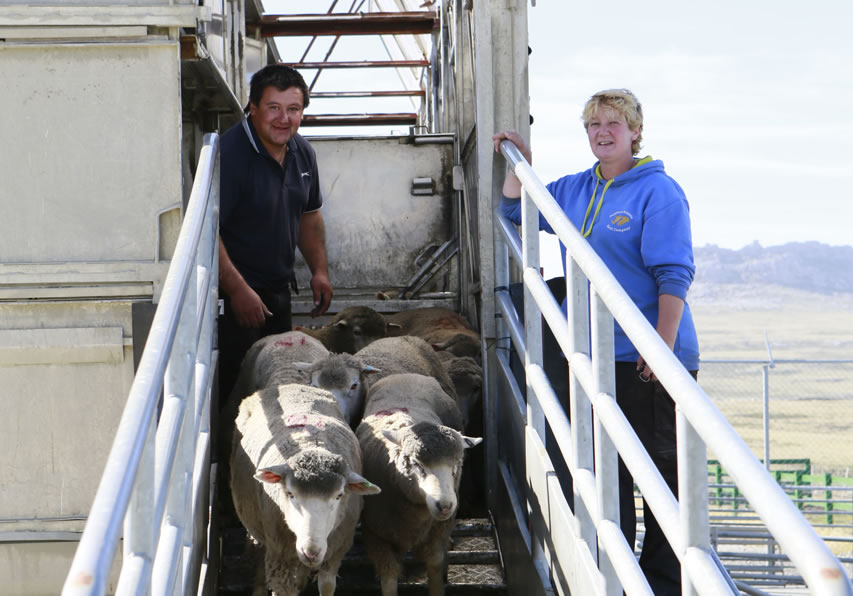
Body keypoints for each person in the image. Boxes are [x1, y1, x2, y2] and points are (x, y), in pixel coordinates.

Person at [493, 88, 699, 595]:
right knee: (610, 477)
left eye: (614, 123)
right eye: (593, 125)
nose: (602, 132)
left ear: (635, 131)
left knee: (662, 479)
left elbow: (673, 274)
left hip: (650, 355)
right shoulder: (577, 189)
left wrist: (662, 348)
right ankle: (616, 579)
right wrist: (520, 164)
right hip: (596, 360)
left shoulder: (658, 191)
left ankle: (663, 584)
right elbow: (517, 213)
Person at [218, 64, 333, 404]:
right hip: (233, 296)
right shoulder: (230, 155)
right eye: (274, 108)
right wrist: (238, 291)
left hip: (277, 291)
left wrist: (320, 271)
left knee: (280, 381)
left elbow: (309, 217)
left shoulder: (302, 152)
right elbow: (209, 233)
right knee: (238, 388)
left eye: (293, 109)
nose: (284, 118)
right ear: (253, 108)